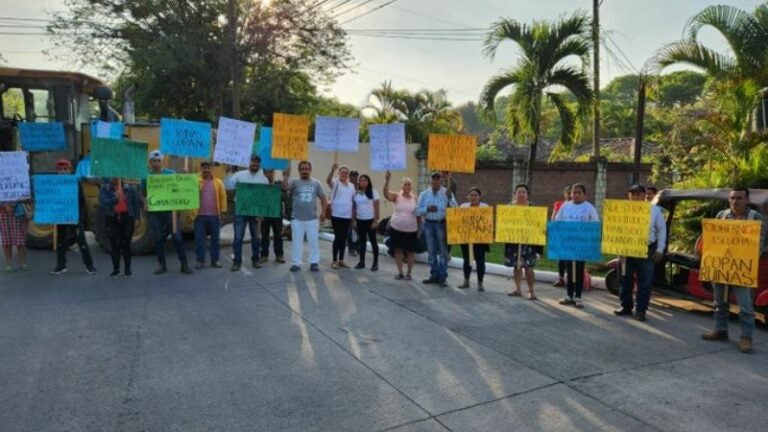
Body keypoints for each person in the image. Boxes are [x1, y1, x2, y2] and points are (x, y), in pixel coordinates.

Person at [701, 187, 765, 354]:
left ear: (747, 200)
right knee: (719, 302)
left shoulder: (755, 218)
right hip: (721, 267)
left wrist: (746, 258)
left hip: (741, 269)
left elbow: (761, 243)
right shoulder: (721, 216)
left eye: (739, 198)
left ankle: (746, 337)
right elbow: (712, 240)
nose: (735, 201)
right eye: (732, 198)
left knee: (745, 306)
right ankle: (720, 330)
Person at [613, 184, 666, 321]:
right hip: (626, 249)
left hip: (647, 249)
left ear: (644, 196)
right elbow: (615, 228)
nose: (634, 196)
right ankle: (626, 306)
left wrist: (660, 249)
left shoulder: (654, 210)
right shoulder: (621, 210)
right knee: (625, 278)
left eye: (637, 194)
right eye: (632, 194)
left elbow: (661, 230)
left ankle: (641, 310)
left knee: (645, 281)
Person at [145, 150, 192, 275]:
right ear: (150, 162)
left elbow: (180, 186)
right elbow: (143, 194)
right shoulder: (147, 177)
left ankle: (184, 264)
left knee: (177, 237)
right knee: (158, 238)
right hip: (155, 212)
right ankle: (162, 265)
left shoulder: (170, 173)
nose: (156, 163)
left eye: (158, 161)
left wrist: (184, 175)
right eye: (154, 161)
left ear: (162, 161)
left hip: (170, 211)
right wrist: (144, 202)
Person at [554, 183, 599, 308]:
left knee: (579, 269)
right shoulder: (565, 206)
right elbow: (558, 221)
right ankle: (569, 295)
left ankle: (578, 296)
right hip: (568, 243)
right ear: (571, 193)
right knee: (569, 268)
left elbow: (595, 224)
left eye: (579, 192)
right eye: (574, 192)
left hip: (581, 244)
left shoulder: (589, 208)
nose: (576, 195)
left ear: (584, 194)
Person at [50, 159, 97, 275]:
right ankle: (61, 265)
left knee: (81, 241)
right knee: (61, 241)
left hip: (74, 216)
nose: (63, 172)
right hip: (61, 216)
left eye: (65, 169)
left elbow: (81, 200)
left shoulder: (75, 182)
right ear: (57, 171)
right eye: (60, 170)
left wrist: (79, 217)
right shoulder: (53, 183)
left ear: (70, 170)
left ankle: (90, 266)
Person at [282, 161, 327, 272]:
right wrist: (285, 176)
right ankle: (296, 263)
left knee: (313, 242)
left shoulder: (316, 183)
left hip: (312, 218)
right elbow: (284, 188)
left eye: (307, 169)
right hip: (297, 218)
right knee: (297, 242)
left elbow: (323, 198)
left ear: (310, 170)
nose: (304, 171)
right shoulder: (294, 182)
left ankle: (314, 262)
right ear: (299, 170)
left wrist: (323, 212)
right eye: (302, 169)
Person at [227, 155, 268, 271]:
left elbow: (265, 197)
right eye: (253, 162)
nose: (255, 164)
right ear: (248, 162)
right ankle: (237, 262)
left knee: (256, 237)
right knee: (238, 237)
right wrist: (229, 173)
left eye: (257, 162)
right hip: (240, 211)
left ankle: (255, 259)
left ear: (259, 164)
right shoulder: (239, 175)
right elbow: (229, 186)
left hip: (255, 212)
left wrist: (262, 212)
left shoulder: (263, 179)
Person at [415, 171, 457, 287]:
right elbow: (417, 211)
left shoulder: (447, 192)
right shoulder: (424, 194)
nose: (435, 181)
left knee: (443, 252)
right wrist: (427, 209)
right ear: (430, 181)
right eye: (433, 179)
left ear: (441, 181)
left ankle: (442, 277)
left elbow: (455, 209)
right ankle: (434, 275)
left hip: (441, 225)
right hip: (428, 224)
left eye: (438, 179)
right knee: (431, 251)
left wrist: (450, 198)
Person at [99, 178, 141, 277]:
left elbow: (136, 204)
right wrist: (116, 198)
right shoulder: (105, 189)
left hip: (127, 218)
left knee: (126, 244)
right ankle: (116, 269)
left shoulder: (130, 189)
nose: (115, 177)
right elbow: (103, 203)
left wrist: (137, 218)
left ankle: (127, 269)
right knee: (114, 245)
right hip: (111, 218)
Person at [504, 184, 539, 299]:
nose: (521, 194)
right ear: (515, 194)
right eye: (519, 192)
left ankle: (531, 291)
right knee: (516, 266)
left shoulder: (533, 207)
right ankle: (518, 289)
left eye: (524, 192)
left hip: (529, 242)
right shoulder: (509, 207)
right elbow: (504, 223)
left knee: (529, 267)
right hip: (513, 241)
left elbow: (538, 224)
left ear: (527, 194)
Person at [383, 171, 419, 280]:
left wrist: (420, 229)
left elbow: (419, 215)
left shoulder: (415, 198)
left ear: (411, 186)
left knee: (410, 252)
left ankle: (409, 274)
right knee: (398, 250)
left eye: (409, 184)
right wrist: (387, 181)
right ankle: (400, 273)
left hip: (411, 230)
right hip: (396, 228)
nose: (407, 186)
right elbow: (385, 194)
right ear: (402, 186)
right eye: (405, 184)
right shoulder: (396, 196)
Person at [192, 161, 226, 269]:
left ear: (212, 169)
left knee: (215, 239)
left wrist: (223, 212)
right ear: (201, 169)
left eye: (208, 168)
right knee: (199, 239)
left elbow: (223, 197)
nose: (206, 170)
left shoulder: (218, 183)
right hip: (199, 216)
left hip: (214, 216)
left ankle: (215, 260)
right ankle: (200, 260)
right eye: (204, 168)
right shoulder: (195, 181)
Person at [457, 187, 490, 292]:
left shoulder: (484, 207)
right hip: (466, 239)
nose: (473, 197)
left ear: (479, 197)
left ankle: (480, 283)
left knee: (480, 261)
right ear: (468, 196)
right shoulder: (463, 207)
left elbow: (488, 223)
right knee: (467, 260)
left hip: (480, 240)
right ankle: (466, 281)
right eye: (471, 195)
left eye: (475, 195)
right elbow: (458, 222)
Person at [326, 163, 356, 269]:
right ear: (339, 173)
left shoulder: (351, 186)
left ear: (348, 175)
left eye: (346, 173)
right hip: (336, 215)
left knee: (343, 238)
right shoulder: (335, 182)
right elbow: (328, 180)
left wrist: (353, 218)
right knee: (338, 237)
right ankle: (334, 260)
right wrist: (332, 170)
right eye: (342, 172)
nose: (344, 174)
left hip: (346, 216)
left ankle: (341, 260)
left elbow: (353, 200)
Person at [352, 174, 380, 271]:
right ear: (359, 182)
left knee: (373, 242)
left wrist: (375, 220)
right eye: (361, 180)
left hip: (371, 220)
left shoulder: (373, 192)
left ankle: (375, 263)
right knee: (362, 242)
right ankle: (362, 262)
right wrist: (354, 220)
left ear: (368, 182)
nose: (363, 182)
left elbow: (376, 207)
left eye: (365, 180)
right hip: (360, 220)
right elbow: (354, 208)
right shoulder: (356, 194)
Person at [259, 169, 287, 264]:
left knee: (278, 236)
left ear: (273, 173)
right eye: (266, 172)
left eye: (270, 172)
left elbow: (285, 192)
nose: (268, 174)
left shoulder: (278, 184)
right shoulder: (261, 186)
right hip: (265, 215)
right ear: (263, 174)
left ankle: (279, 255)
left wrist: (285, 176)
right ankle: (264, 255)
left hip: (277, 215)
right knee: (264, 236)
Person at [0, 199, 30, 272]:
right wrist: (4, 205)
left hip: (18, 212)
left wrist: (13, 204)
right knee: (6, 240)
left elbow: (25, 195)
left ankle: (23, 263)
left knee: (20, 239)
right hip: (2, 213)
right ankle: (9, 264)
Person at [551, 185, 571, 287]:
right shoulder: (559, 204)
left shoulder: (579, 206)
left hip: (573, 236)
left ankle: (571, 279)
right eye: (568, 193)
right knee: (561, 258)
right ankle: (561, 278)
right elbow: (554, 218)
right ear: (565, 194)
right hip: (561, 235)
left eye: (571, 193)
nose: (570, 195)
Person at [347, 169, 360, 257]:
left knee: (360, 231)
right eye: (352, 176)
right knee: (349, 232)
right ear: (350, 176)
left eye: (356, 176)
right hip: (348, 212)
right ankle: (351, 249)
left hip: (359, 212)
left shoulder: (360, 187)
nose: (354, 177)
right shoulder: (347, 186)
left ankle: (357, 247)